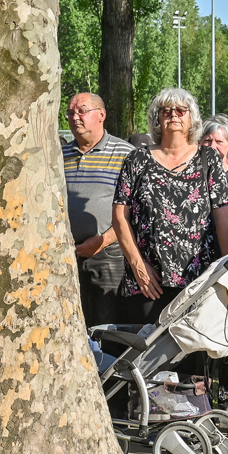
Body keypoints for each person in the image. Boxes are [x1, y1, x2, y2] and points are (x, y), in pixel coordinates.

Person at [112, 88, 228, 323]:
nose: (173, 115)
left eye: (180, 110)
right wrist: (138, 266)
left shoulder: (208, 158)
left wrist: (227, 268)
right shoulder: (136, 159)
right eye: (166, 111)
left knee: (194, 346)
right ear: (157, 117)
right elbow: (119, 217)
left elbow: (222, 218)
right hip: (149, 282)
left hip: (200, 280)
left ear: (191, 117)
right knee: (147, 345)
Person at [63, 92, 134, 328]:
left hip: (108, 254)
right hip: (67, 255)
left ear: (101, 114)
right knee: (71, 323)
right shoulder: (60, 155)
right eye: (71, 113)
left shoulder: (126, 154)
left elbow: (136, 210)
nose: (75, 117)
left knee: (106, 326)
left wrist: (103, 241)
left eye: (82, 111)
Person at [201, 114, 228, 199]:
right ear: (199, 143)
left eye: (219, 141)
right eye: (207, 140)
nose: (212, 146)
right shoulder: (190, 177)